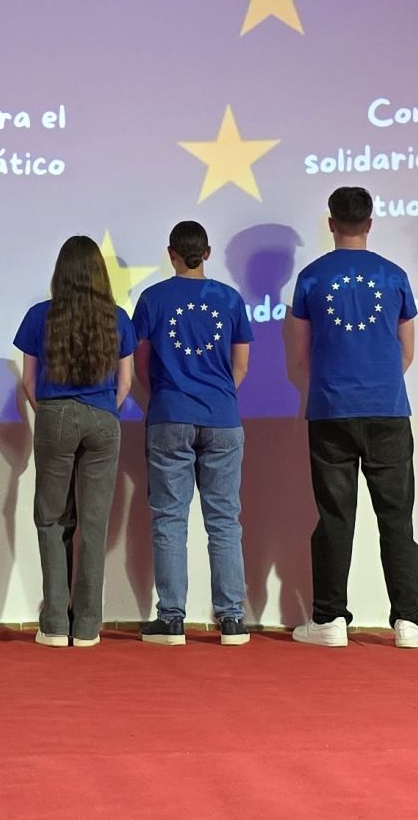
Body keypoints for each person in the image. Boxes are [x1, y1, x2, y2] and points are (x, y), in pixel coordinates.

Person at [283, 186, 418, 649]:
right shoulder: (394, 275)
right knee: (397, 518)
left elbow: (301, 356)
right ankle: (409, 621)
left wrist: (339, 381)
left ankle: (329, 619)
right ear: (370, 223)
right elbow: (406, 351)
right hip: (388, 410)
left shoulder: (310, 278)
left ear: (331, 223)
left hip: (331, 409)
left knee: (334, 517)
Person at [132, 220, 253, 647]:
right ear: (207, 252)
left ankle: (171, 620)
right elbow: (241, 366)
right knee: (224, 520)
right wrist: (215, 397)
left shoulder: (152, 298)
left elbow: (141, 364)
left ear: (171, 254)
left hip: (170, 414)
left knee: (169, 518)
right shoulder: (230, 298)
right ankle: (232, 620)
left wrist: (167, 397)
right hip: (222, 417)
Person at [14, 236, 134, 648]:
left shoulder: (39, 316)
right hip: (104, 417)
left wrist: (50, 412)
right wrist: (104, 411)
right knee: (94, 523)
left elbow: (29, 382)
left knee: (52, 519)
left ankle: (53, 624)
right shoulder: (117, 317)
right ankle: (87, 627)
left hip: (55, 413)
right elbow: (125, 382)